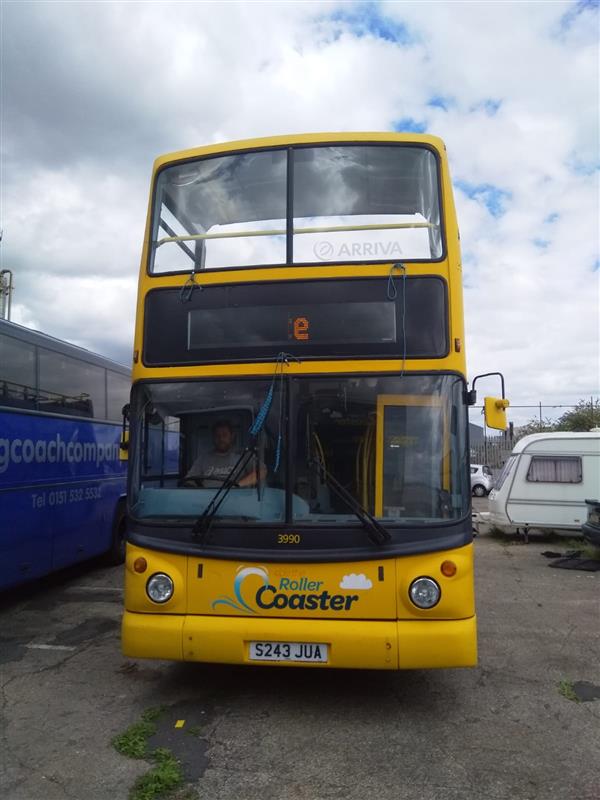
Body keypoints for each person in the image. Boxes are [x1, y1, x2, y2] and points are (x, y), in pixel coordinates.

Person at [184, 419, 266, 488]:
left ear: (232, 436)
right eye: (217, 435)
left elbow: (262, 472)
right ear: (213, 438)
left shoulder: (244, 455)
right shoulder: (203, 458)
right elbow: (189, 480)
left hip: (238, 500)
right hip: (208, 502)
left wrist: (236, 485)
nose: (221, 439)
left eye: (224, 435)